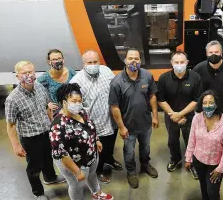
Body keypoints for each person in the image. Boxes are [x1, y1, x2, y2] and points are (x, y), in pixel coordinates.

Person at [50, 83, 114, 200]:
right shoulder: (58, 124)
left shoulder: (81, 112)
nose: (78, 104)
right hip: (73, 163)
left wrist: (96, 140)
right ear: (64, 102)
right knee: (76, 186)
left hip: (90, 155)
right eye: (74, 101)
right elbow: (61, 153)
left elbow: (90, 127)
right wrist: (77, 171)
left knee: (92, 175)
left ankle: (96, 193)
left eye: (79, 101)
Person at [5, 61, 65, 200]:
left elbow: (46, 107)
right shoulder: (12, 99)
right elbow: (11, 125)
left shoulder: (39, 87)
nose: (29, 75)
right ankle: (38, 192)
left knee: (48, 157)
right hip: (30, 138)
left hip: (46, 132)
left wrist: (52, 124)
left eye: (31, 72)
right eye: (25, 73)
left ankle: (50, 177)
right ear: (18, 76)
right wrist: (16, 145)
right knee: (34, 167)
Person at [70, 50, 123, 184]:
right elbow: (75, 108)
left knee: (110, 143)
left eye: (95, 62)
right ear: (84, 64)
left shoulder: (106, 71)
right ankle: (99, 170)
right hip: (94, 124)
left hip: (111, 120)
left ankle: (109, 159)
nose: (93, 65)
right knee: (96, 150)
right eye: (89, 62)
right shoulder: (76, 81)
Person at [109, 48, 159, 189]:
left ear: (140, 61)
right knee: (129, 151)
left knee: (146, 147)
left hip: (145, 123)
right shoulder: (116, 82)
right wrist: (121, 127)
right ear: (125, 60)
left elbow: (152, 96)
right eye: (130, 58)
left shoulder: (147, 76)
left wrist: (155, 116)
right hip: (128, 126)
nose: (133, 61)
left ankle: (145, 165)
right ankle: (131, 172)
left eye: (136, 58)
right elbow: (114, 107)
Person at [185, 90, 223, 200]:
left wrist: (221, 168)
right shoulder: (197, 119)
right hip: (199, 159)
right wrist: (188, 158)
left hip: (215, 164)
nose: (208, 106)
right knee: (203, 185)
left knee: (213, 190)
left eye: (211, 103)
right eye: (205, 103)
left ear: (216, 104)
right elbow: (192, 139)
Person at [157, 51, 202, 179]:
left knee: (191, 140)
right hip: (170, 116)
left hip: (189, 116)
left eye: (182, 62)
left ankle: (192, 163)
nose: (179, 64)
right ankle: (175, 159)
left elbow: (197, 99)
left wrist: (181, 114)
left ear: (187, 63)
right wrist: (173, 115)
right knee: (172, 141)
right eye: (176, 62)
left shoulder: (195, 77)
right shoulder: (164, 78)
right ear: (171, 63)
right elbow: (161, 99)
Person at [193, 40, 223, 121]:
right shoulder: (198, 69)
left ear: (221, 53)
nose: (213, 54)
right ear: (206, 54)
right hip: (204, 111)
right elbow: (192, 89)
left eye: (216, 52)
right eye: (211, 52)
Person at [37, 49, 76, 114]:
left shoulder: (71, 72)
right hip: (58, 113)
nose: (57, 61)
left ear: (63, 59)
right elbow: (35, 90)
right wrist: (47, 103)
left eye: (59, 58)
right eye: (54, 59)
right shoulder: (46, 77)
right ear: (49, 62)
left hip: (73, 109)